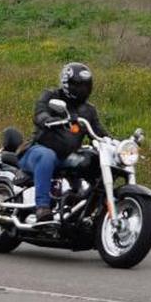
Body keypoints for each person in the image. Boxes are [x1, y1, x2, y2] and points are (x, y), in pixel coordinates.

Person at [19, 62, 108, 222]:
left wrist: (117, 143)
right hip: (36, 150)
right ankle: (42, 207)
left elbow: (99, 133)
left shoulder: (89, 110)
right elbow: (39, 114)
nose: (83, 89)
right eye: (77, 85)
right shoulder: (51, 96)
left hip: (67, 157)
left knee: (94, 159)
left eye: (86, 85)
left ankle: (84, 205)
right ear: (67, 84)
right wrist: (49, 119)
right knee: (47, 155)